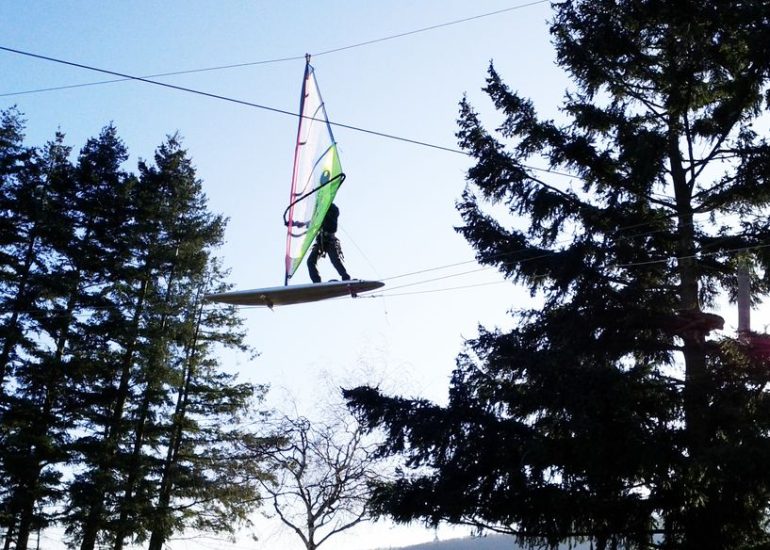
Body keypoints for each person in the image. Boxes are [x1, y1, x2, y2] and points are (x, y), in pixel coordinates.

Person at [307, 202, 351, 283]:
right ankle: (316, 282)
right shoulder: (319, 214)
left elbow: (334, 219)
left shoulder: (332, 209)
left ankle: (346, 277)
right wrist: (295, 224)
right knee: (310, 261)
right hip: (321, 242)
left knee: (335, 260)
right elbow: (311, 224)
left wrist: (325, 209)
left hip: (330, 240)